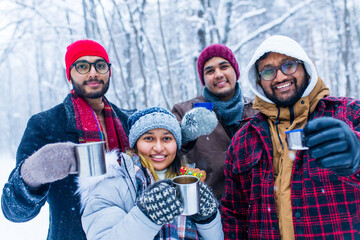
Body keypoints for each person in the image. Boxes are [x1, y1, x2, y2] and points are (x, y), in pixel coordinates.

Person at [220, 35, 360, 239]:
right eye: (268, 71)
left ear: (305, 67)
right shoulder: (244, 139)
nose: (279, 77)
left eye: (289, 65)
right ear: (259, 80)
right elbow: (234, 216)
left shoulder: (349, 114)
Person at [1, 39, 135, 240]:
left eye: (100, 65)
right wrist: (32, 173)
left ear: (109, 72)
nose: (93, 73)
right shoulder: (45, 125)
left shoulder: (130, 122)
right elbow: (13, 211)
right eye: (82, 66)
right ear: (69, 74)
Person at [78, 107, 223, 240]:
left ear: (176, 144)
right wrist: (146, 215)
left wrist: (208, 218)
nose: (159, 148)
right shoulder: (112, 184)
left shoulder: (186, 181)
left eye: (167, 138)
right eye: (149, 138)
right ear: (135, 144)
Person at [172, 44, 257, 200]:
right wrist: (185, 136)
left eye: (224, 67)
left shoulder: (258, 110)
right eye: (210, 71)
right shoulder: (184, 112)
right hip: (208, 212)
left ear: (235, 72)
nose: (218, 74)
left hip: (256, 209)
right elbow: (168, 152)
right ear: (203, 79)